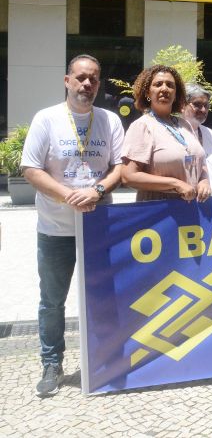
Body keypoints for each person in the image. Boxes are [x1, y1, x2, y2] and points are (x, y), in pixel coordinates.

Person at [21, 54, 124, 396]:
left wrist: (97, 190)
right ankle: (52, 364)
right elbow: (30, 169)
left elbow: (119, 167)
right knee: (52, 301)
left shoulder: (109, 120)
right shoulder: (46, 119)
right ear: (67, 81)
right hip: (56, 229)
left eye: (93, 78)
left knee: (104, 295)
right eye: (80, 77)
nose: (87, 84)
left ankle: (107, 359)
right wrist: (68, 196)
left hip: (99, 227)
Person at [121, 65, 211, 202]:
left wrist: (204, 181)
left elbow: (198, 161)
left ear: (176, 94)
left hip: (191, 209)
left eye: (170, 85)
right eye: (158, 84)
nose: (164, 89)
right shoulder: (142, 126)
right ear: (147, 93)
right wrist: (175, 184)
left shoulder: (184, 124)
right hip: (159, 209)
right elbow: (128, 176)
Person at [182, 83, 212, 156]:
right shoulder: (171, 132)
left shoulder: (211, 135)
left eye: (206, 105)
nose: (203, 110)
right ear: (183, 105)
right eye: (197, 104)